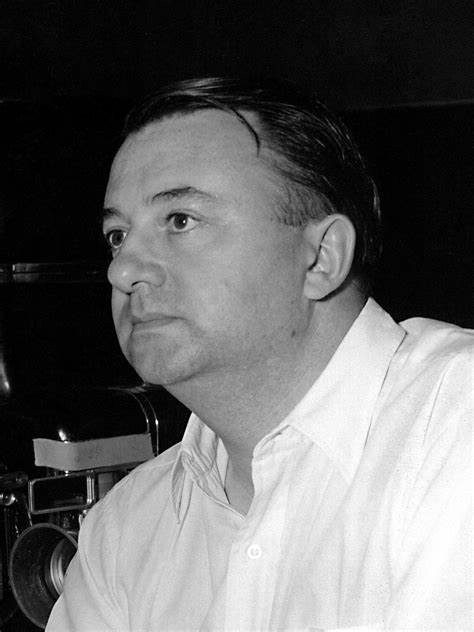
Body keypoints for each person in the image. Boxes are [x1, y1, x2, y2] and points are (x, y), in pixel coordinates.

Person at [46, 77, 472, 631]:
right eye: (117, 235)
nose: (122, 270)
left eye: (180, 220)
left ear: (321, 257)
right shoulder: (124, 529)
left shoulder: (456, 422)